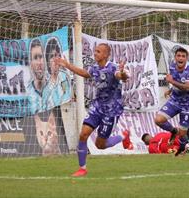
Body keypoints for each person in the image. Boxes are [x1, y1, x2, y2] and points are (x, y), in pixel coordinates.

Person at [55, 43, 133, 177]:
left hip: (111, 110)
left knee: (100, 145)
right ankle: (82, 169)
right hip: (97, 107)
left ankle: (123, 137)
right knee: (83, 134)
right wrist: (67, 65)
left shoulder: (113, 68)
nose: (95, 53)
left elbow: (122, 76)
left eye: (98, 51)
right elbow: (85, 73)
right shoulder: (95, 68)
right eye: (95, 51)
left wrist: (122, 73)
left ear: (105, 55)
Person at [154, 47, 189, 156]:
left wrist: (172, 82)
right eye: (178, 56)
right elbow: (176, 81)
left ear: (187, 59)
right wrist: (171, 89)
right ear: (175, 57)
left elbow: (187, 87)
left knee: (182, 133)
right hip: (175, 101)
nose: (180, 58)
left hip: (188, 104)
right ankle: (173, 131)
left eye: (183, 56)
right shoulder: (172, 66)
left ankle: (184, 148)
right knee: (158, 119)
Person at [43, 37, 71, 111]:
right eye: (52, 56)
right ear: (48, 62)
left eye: (57, 55)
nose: (56, 59)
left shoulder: (65, 76)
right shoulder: (45, 88)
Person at [27, 38, 47, 114]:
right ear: (31, 63)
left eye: (41, 57)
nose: (39, 63)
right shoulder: (27, 92)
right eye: (35, 58)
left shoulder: (53, 87)